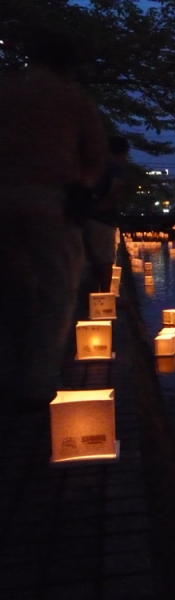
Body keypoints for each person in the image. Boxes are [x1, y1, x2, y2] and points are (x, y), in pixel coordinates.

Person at [0, 32, 107, 414]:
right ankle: (38, 380)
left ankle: (8, 374)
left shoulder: (7, 90)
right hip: (51, 198)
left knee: (10, 287)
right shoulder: (72, 97)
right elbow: (95, 154)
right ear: (67, 64)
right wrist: (84, 185)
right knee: (57, 288)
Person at [84, 135, 129, 292]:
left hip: (88, 216)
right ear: (123, 152)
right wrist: (103, 206)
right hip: (102, 219)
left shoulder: (97, 166)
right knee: (105, 260)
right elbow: (117, 187)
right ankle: (105, 299)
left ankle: (94, 295)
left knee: (93, 259)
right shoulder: (115, 167)